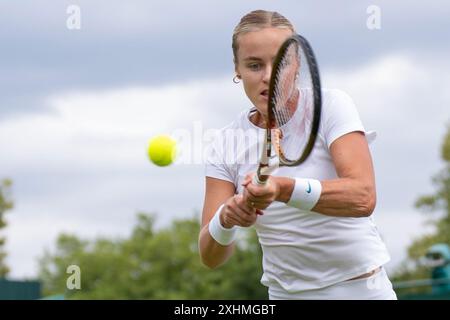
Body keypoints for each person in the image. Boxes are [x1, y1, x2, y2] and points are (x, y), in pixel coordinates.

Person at [198, 9, 397, 300]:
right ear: (237, 69)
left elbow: (363, 197)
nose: (268, 76)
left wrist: (282, 188)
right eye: (254, 65)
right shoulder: (224, 144)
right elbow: (210, 257)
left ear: (296, 63)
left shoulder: (332, 106)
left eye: (280, 63)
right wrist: (226, 219)